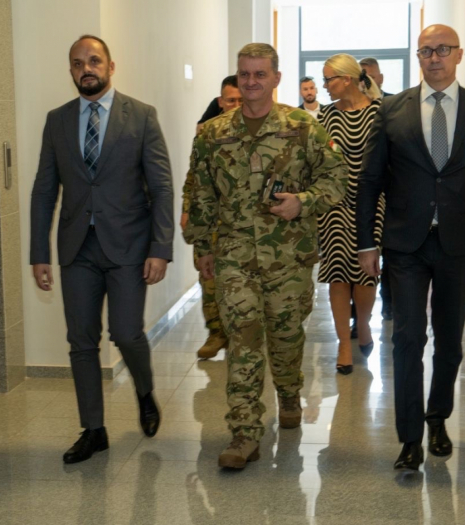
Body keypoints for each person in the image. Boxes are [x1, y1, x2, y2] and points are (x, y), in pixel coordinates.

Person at [358, 25, 465, 471]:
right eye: (426, 51)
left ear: (459, 55)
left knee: (449, 340)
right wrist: (366, 243)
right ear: (418, 57)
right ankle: (410, 437)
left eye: (443, 49)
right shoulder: (390, 109)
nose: (434, 57)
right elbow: (370, 181)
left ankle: (437, 418)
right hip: (404, 244)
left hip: (458, 244)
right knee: (408, 337)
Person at [184, 43, 349, 470]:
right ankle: (244, 432)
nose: (251, 82)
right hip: (234, 255)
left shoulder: (303, 127)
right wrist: (202, 246)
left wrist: (303, 201)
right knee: (243, 338)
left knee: (286, 335)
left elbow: (337, 177)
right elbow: (199, 192)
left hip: (289, 256)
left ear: (276, 78)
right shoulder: (212, 133)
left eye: (260, 74)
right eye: (244, 74)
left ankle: (290, 392)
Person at [30, 35, 174, 464]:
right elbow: (44, 190)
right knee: (81, 341)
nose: (86, 69)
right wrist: (39, 253)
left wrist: (160, 247)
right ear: (71, 71)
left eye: (94, 61)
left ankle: (144, 391)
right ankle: (93, 429)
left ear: (111, 66)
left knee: (126, 332)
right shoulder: (57, 120)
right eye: (78, 63)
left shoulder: (141, 116)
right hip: (77, 248)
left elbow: (162, 187)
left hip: (129, 244)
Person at [316, 54, 384, 375]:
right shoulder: (325, 115)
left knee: (366, 274)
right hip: (334, 205)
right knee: (338, 274)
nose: (324, 86)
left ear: (347, 79)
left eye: (328, 79)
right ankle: (344, 342)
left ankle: (364, 323)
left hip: (372, 204)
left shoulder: (379, 112)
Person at [182, 76, 242, 359]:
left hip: (242, 224)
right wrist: (186, 209)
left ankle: (241, 336)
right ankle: (216, 333)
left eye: (241, 100)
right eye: (231, 100)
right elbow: (193, 177)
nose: (236, 105)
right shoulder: (207, 134)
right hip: (210, 219)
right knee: (209, 278)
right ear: (220, 102)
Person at [359, 57, 394, 320]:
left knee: (391, 255)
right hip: (364, 191)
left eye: (370, 76)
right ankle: (359, 316)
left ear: (380, 78)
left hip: (391, 193)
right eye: (361, 76)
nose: (365, 81)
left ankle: (389, 303)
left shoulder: (395, 105)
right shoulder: (348, 108)